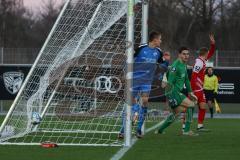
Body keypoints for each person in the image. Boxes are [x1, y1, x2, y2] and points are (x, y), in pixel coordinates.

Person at [118, 31, 169, 138]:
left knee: (145, 101)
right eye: (160, 39)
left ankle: (138, 129)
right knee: (131, 104)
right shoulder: (141, 48)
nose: (161, 41)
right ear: (154, 40)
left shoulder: (158, 52)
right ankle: (123, 130)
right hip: (134, 79)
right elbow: (129, 59)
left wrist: (166, 63)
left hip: (146, 81)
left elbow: (162, 64)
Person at [155, 47, 198, 136]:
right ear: (179, 55)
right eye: (184, 54)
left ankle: (160, 130)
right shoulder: (175, 66)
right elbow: (170, 81)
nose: (186, 56)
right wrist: (168, 96)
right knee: (191, 105)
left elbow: (186, 80)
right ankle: (186, 131)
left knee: (176, 114)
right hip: (173, 92)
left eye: (187, 54)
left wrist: (190, 92)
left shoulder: (183, 65)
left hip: (176, 92)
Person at [190, 34, 216, 131]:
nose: (209, 55)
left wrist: (213, 44)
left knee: (203, 106)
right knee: (190, 108)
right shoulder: (199, 62)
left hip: (200, 89)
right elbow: (193, 76)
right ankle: (185, 126)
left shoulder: (203, 60)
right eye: (208, 53)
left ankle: (200, 126)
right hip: (195, 89)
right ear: (205, 53)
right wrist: (193, 90)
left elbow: (211, 53)